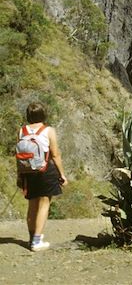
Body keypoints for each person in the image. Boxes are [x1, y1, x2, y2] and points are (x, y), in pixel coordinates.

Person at [15, 102, 68, 252]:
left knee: (32, 205)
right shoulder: (48, 130)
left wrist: (20, 175)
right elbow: (55, 154)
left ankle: (32, 238)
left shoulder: (22, 131)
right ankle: (37, 242)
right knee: (44, 204)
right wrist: (62, 175)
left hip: (28, 172)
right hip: (45, 170)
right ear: (44, 115)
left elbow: (19, 156)